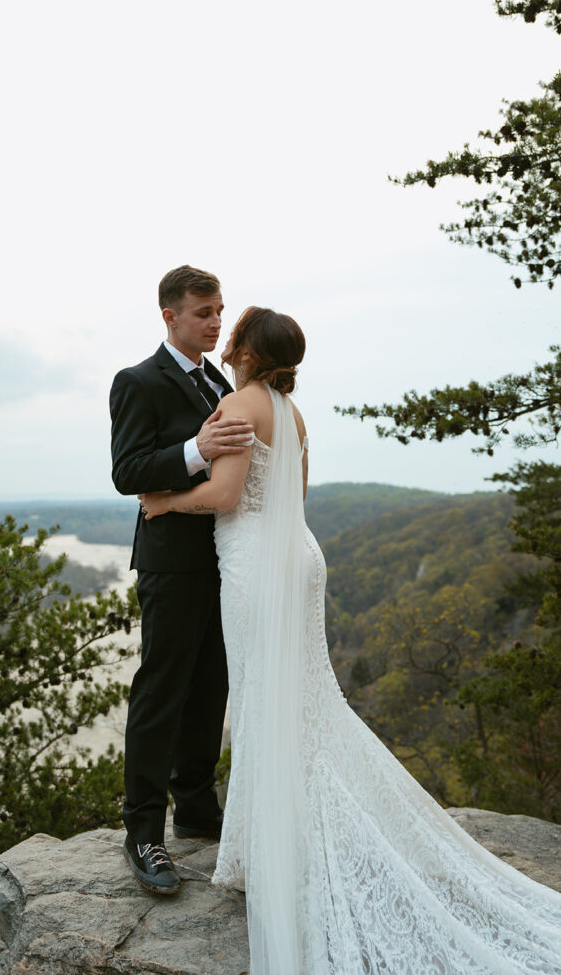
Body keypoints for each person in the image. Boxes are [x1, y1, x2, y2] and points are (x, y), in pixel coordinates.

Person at [139, 306, 561, 974]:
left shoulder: (241, 402)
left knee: (259, 696)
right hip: (299, 555)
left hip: (254, 564)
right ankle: (277, 831)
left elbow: (223, 495)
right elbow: (293, 494)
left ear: (246, 348)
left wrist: (163, 503)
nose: (225, 337)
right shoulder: (290, 409)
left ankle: (262, 846)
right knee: (305, 699)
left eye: (233, 328)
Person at [109, 265, 254, 895]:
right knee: (161, 692)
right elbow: (128, 469)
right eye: (204, 313)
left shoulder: (218, 379)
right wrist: (196, 449)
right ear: (170, 315)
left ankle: (196, 806)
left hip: (226, 558)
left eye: (221, 310)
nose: (217, 322)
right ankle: (143, 833)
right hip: (171, 563)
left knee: (210, 689)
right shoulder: (138, 381)